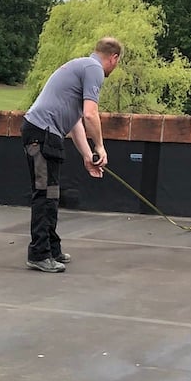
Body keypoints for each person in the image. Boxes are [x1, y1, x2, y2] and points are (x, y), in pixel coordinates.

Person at [21, 37, 122, 272]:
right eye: (116, 63)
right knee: (44, 193)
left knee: (52, 193)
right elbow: (90, 114)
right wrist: (100, 147)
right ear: (113, 58)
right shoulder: (94, 69)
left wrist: (87, 155)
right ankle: (38, 253)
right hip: (41, 133)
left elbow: (76, 120)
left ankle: (51, 248)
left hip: (45, 133)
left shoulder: (83, 66)